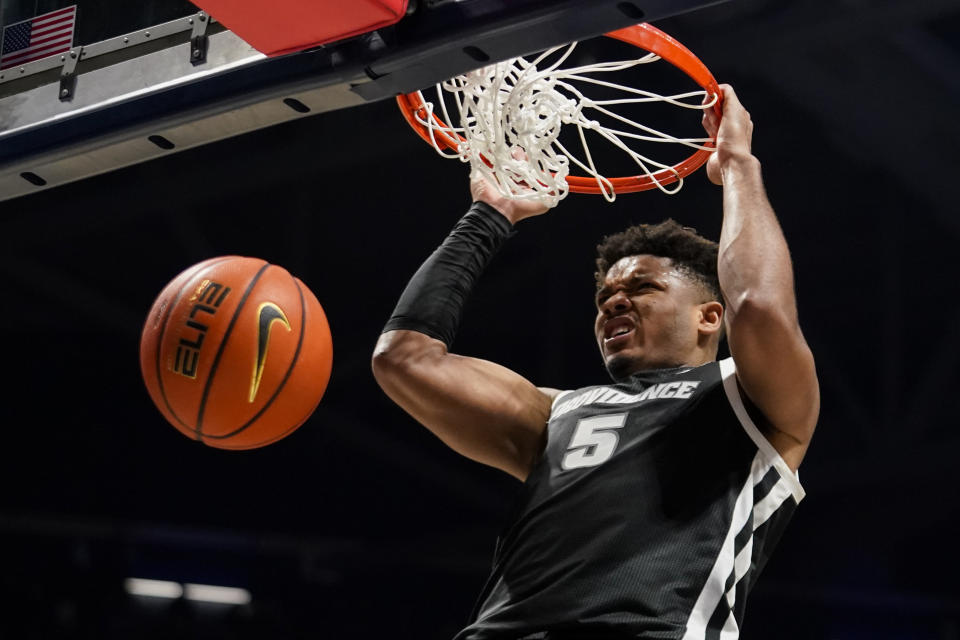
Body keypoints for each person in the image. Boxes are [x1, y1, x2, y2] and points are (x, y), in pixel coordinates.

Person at [372, 84, 819, 640]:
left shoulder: (750, 397)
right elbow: (405, 359)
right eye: (605, 295)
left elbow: (758, 306)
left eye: (643, 286)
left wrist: (736, 165)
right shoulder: (555, 411)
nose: (613, 300)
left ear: (710, 317)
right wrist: (489, 215)